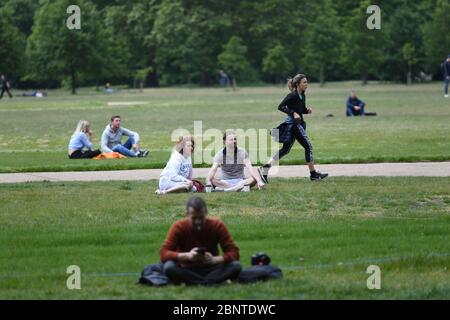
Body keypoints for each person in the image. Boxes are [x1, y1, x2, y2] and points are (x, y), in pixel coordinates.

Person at [259, 74, 328, 182]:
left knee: (285, 150)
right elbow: (281, 106)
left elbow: (301, 109)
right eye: (304, 82)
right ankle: (313, 174)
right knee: (308, 147)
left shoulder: (302, 95)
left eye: (306, 82)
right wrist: (293, 113)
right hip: (294, 126)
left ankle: (265, 169)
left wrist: (306, 111)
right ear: (297, 84)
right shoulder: (292, 95)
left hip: (297, 124)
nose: (306, 84)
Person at [160, 197, 242, 286]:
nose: (198, 221)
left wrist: (215, 260)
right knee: (169, 267)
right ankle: (208, 282)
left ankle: (194, 282)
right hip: (187, 268)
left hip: (212, 267)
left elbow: (234, 253)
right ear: (187, 214)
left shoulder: (217, 225)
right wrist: (188, 256)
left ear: (206, 213)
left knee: (236, 266)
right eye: (194, 218)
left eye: (201, 217)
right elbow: (164, 253)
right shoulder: (179, 227)